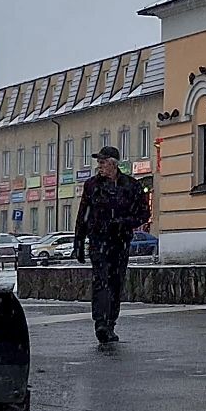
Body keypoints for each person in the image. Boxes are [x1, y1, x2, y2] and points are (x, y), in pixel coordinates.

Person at [74, 145, 149, 344]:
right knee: (101, 281)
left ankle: (110, 323)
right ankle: (100, 323)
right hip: (98, 241)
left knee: (116, 283)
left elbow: (143, 213)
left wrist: (124, 222)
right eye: (98, 162)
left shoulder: (131, 186)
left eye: (103, 162)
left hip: (120, 242)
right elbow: (83, 214)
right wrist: (79, 241)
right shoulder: (92, 185)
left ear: (114, 164)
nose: (100, 166)